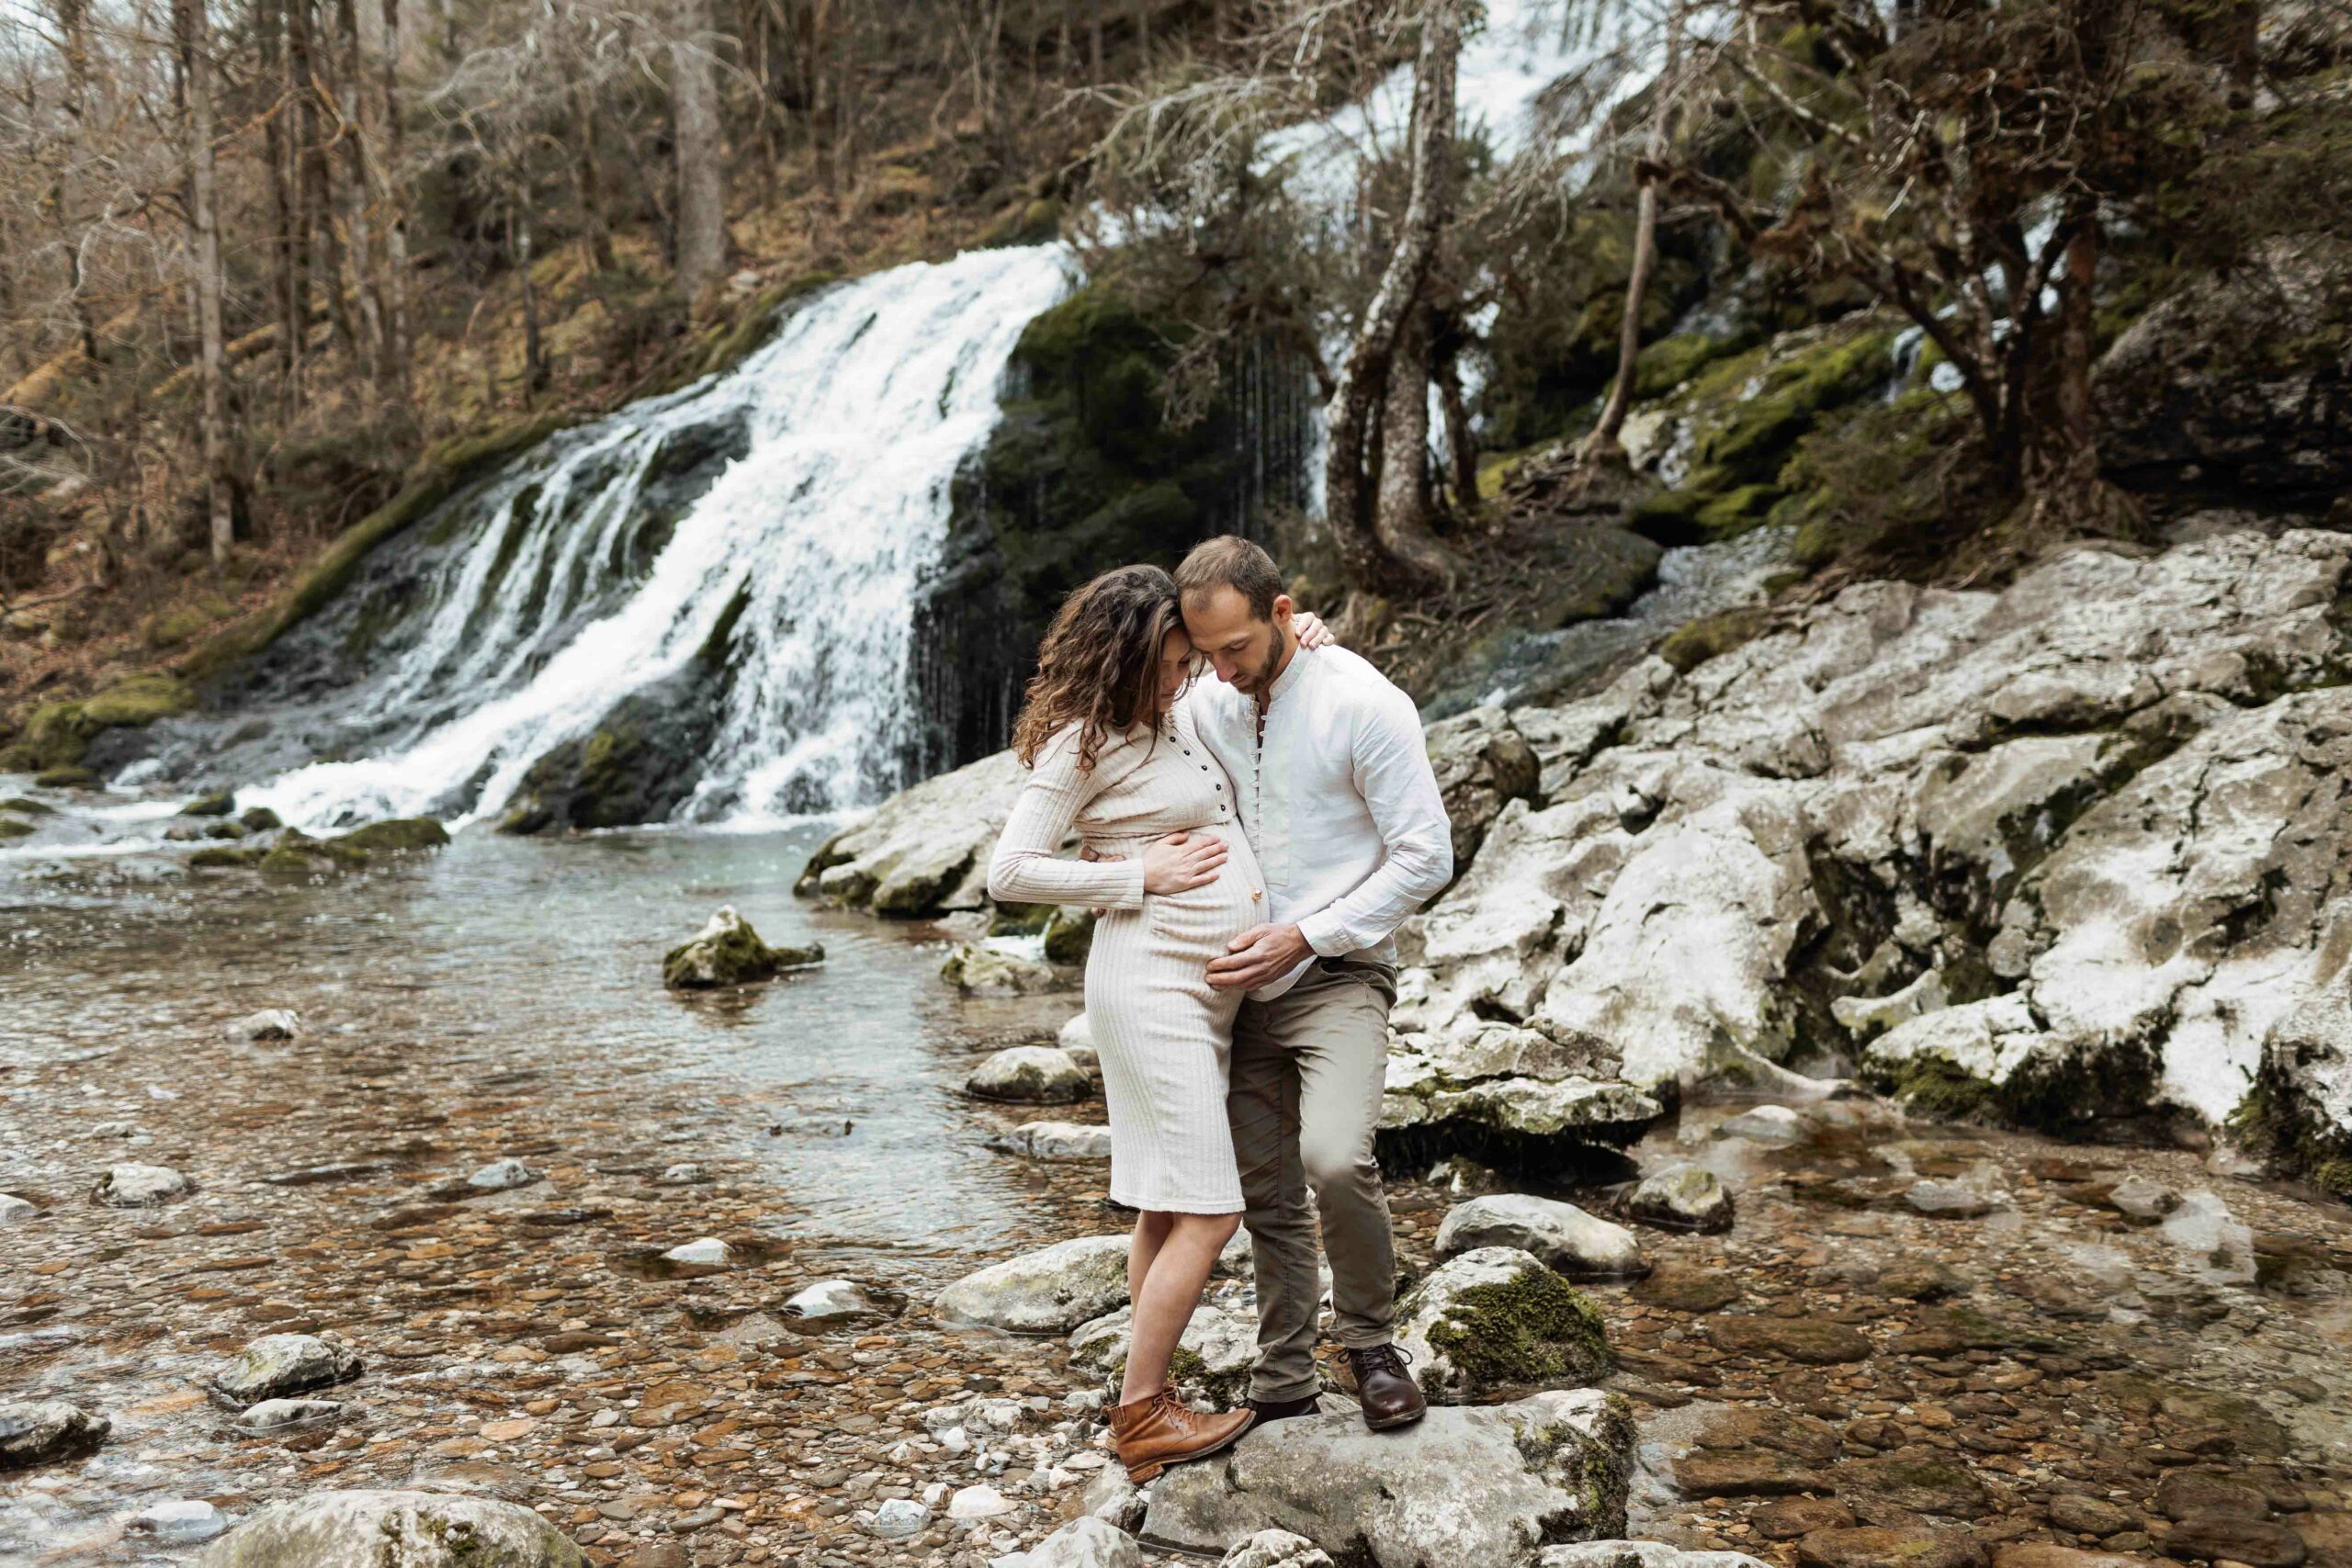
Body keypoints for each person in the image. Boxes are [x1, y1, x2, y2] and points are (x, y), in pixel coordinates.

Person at [986, 564, 1333, 1481]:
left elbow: (1250, 669)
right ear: (1122, 656)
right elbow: (1009, 872)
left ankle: (1150, 1390)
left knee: (1164, 1207)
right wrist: (1137, 877)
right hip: (1150, 991)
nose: (1183, 676)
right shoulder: (1082, 742)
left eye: (1188, 661)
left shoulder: (1173, 713)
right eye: (1170, 662)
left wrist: (1310, 646)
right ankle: (1139, 1416)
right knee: (1214, 1214)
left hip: (1197, 994)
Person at [1171, 536, 1454, 1433]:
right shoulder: (1210, 697)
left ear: (1284, 613)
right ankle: (1284, 1374)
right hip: (1238, 983)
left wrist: (1307, 933)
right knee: (1264, 1198)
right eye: (1205, 652)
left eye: (1237, 649)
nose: (1220, 670)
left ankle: (1371, 1343)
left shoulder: (1363, 703)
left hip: (1337, 972)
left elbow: (1427, 857)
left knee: (1334, 1158)